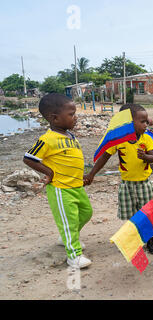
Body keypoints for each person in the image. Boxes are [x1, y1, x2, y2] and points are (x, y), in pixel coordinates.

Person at [23, 93, 93, 269]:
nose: (75, 117)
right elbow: (29, 158)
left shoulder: (71, 136)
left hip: (76, 186)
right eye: (71, 114)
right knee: (68, 221)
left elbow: (72, 161)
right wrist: (49, 172)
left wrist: (82, 176)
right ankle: (74, 255)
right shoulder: (47, 139)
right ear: (54, 118)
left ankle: (66, 239)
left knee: (86, 213)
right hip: (61, 189)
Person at [84, 104, 153, 254]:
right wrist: (92, 173)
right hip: (127, 184)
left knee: (147, 212)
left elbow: (152, 157)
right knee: (132, 214)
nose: (146, 125)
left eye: (146, 121)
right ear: (128, 123)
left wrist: (145, 157)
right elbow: (104, 156)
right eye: (143, 121)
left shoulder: (146, 138)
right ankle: (135, 238)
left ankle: (151, 238)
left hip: (144, 183)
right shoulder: (119, 140)